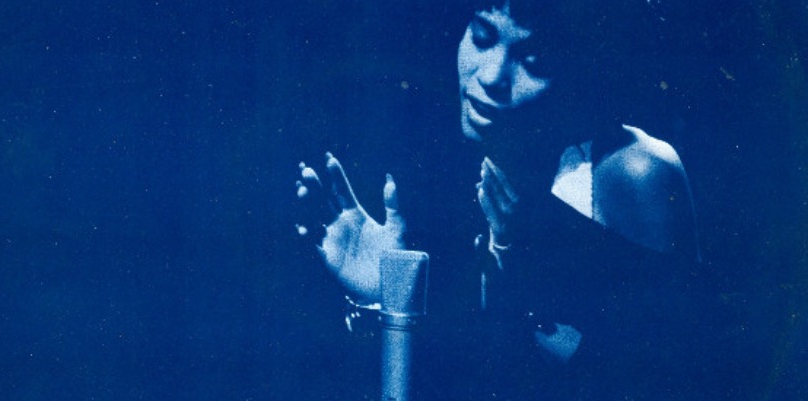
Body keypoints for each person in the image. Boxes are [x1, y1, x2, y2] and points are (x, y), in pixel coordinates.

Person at [295, 1, 715, 399]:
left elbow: (680, 380)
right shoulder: (475, 161)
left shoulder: (633, 170)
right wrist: (389, 301)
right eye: (481, 36)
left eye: (534, 60)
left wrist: (524, 277)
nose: (493, 75)